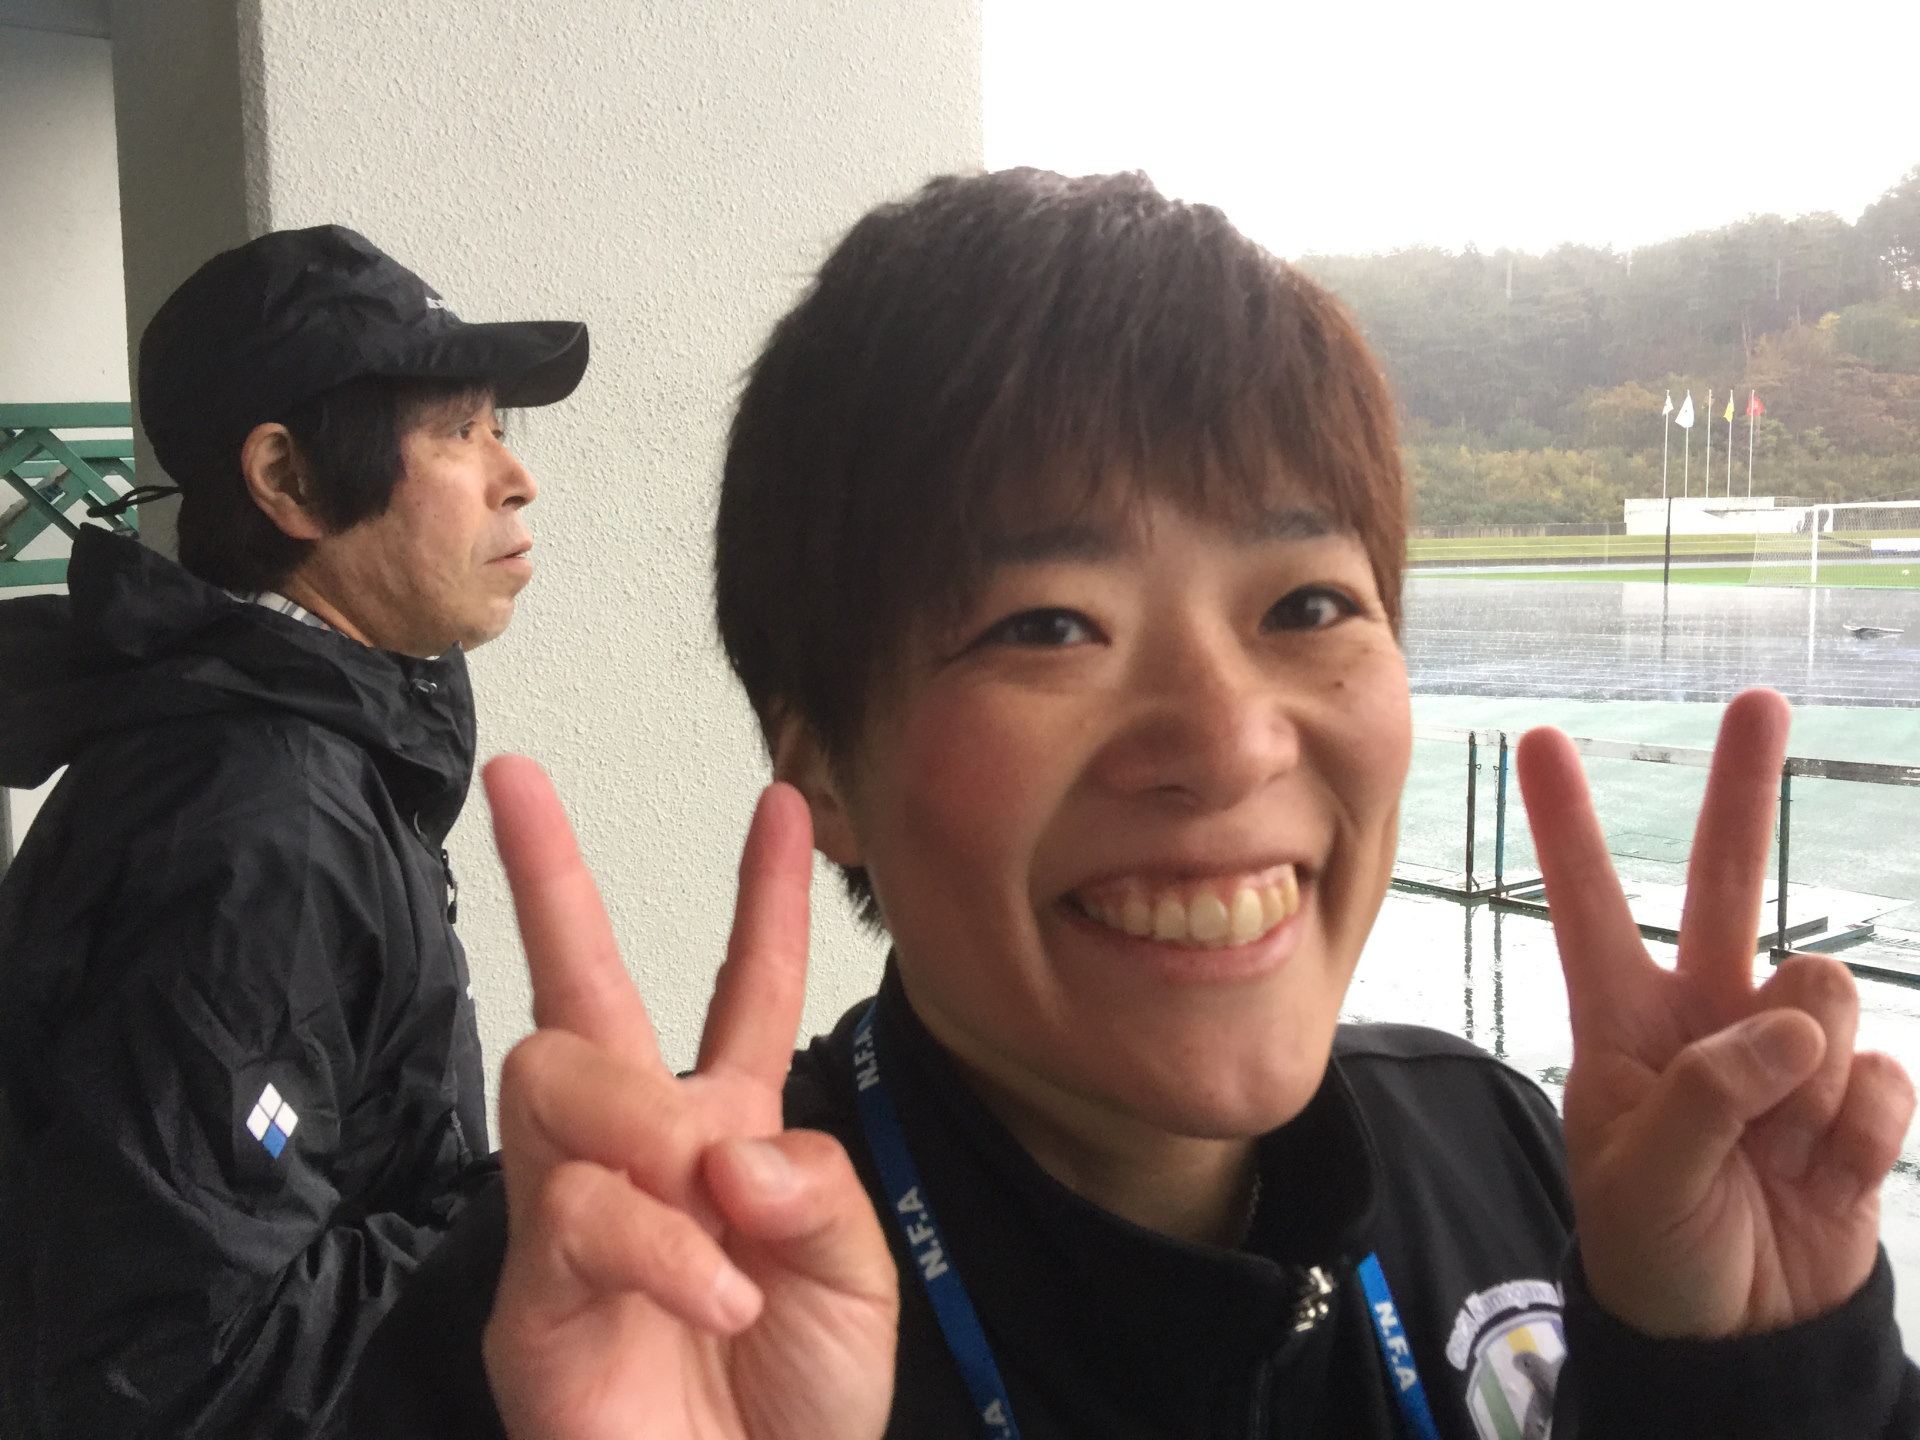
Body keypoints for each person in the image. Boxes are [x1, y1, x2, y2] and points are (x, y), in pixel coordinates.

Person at [365, 170, 1916, 1438]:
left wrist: (1761, 1381)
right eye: (1051, 625)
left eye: (1308, 605)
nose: (1229, 743)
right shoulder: (614, 1315)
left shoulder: (1525, 1164)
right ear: (824, 766)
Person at [0, 225, 588, 1439]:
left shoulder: (305, 749)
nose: (514, 476)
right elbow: (183, 1373)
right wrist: (545, 1229)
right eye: (458, 431)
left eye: (499, 428)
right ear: (290, 481)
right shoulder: (257, 822)